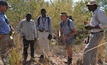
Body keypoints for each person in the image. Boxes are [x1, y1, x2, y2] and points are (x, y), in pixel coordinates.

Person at [83, 0, 107, 65]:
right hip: (94, 34)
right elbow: (95, 25)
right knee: (93, 52)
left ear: (94, 6)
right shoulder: (95, 13)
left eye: (89, 6)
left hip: (97, 34)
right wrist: (89, 25)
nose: (88, 7)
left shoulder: (100, 12)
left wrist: (92, 27)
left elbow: (105, 24)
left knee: (86, 51)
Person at [0, 1, 14, 65]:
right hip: (2, 37)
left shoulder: (4, 14)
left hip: (8, 35)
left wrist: (10, 27)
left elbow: (7, 23)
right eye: (6, 7)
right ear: (1, 6)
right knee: (4, 53)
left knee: (10, 52)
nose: (7, 9)